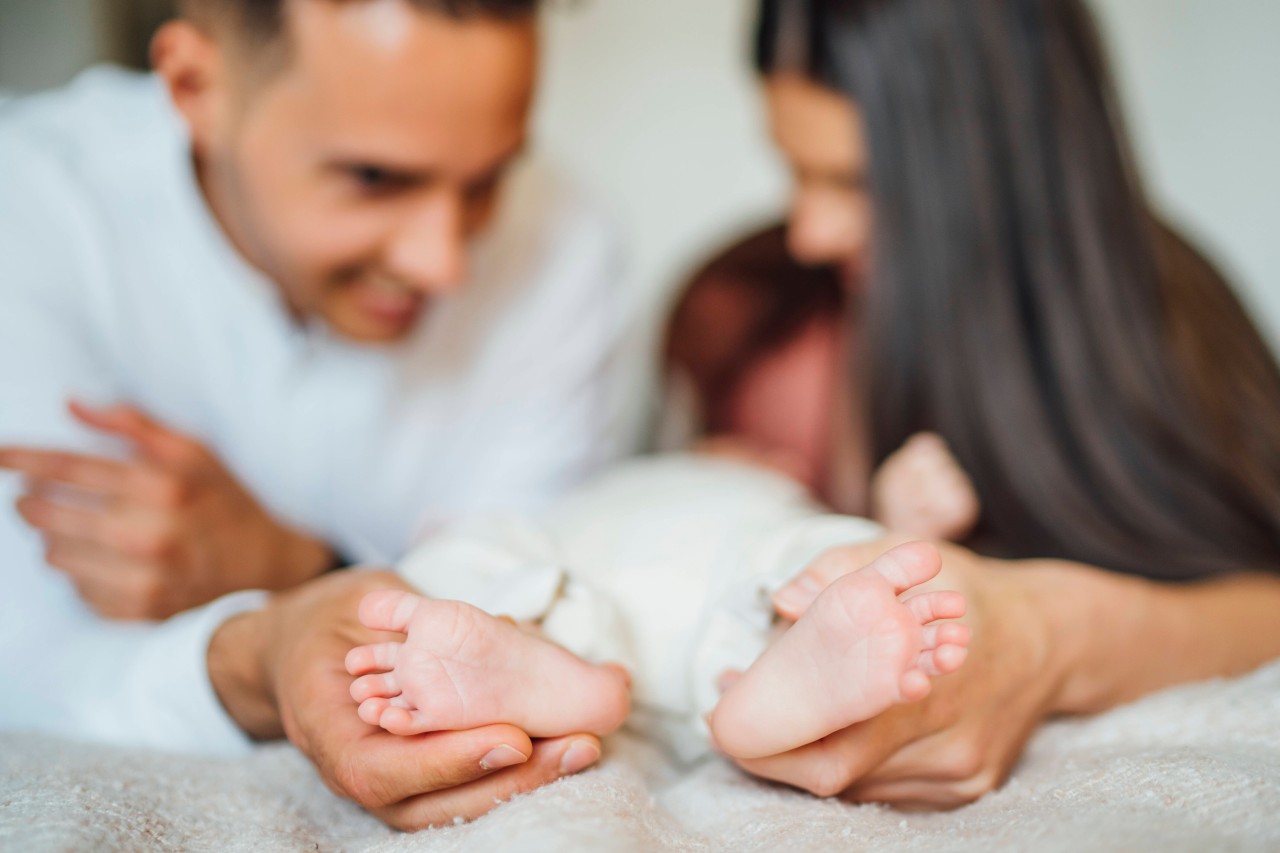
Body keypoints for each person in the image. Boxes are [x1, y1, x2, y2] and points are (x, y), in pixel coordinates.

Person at [0, 0, 634, 827]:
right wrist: (269, 650)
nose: (439, 260)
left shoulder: (566, 247)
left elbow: (527, 610)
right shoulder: (28, 210)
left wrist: (296, 567)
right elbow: (29, 665)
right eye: (374, 178)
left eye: (487, 181)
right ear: (197, 87)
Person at [663, 0, 1280, 806]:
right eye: (795, 171)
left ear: (1001, 170)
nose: (811, 233)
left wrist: (1046, 633)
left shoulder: (1164, 316)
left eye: (858, 181)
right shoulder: (754, 309)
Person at [339, 453, 970, 765]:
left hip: (728, 578)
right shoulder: (621, 475)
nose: (774, 453)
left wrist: (901, 520)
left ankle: (775, 674)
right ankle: (528, 659)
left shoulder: (776, 496)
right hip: (561, 568)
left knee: (822, 554)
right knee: (476, 548)